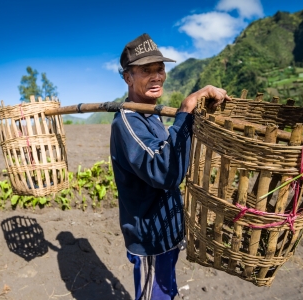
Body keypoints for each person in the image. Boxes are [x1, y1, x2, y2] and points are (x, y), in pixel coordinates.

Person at [110, 33, 230, 300]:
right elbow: (164, 173)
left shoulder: (152, 116)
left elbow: (173, 155)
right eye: (146, 70)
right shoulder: (128, 122)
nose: (156, 76)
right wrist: (186, 109)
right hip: (150, 237)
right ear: (128, 77)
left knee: (166, 291)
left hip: (167, 231)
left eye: (160, 68)